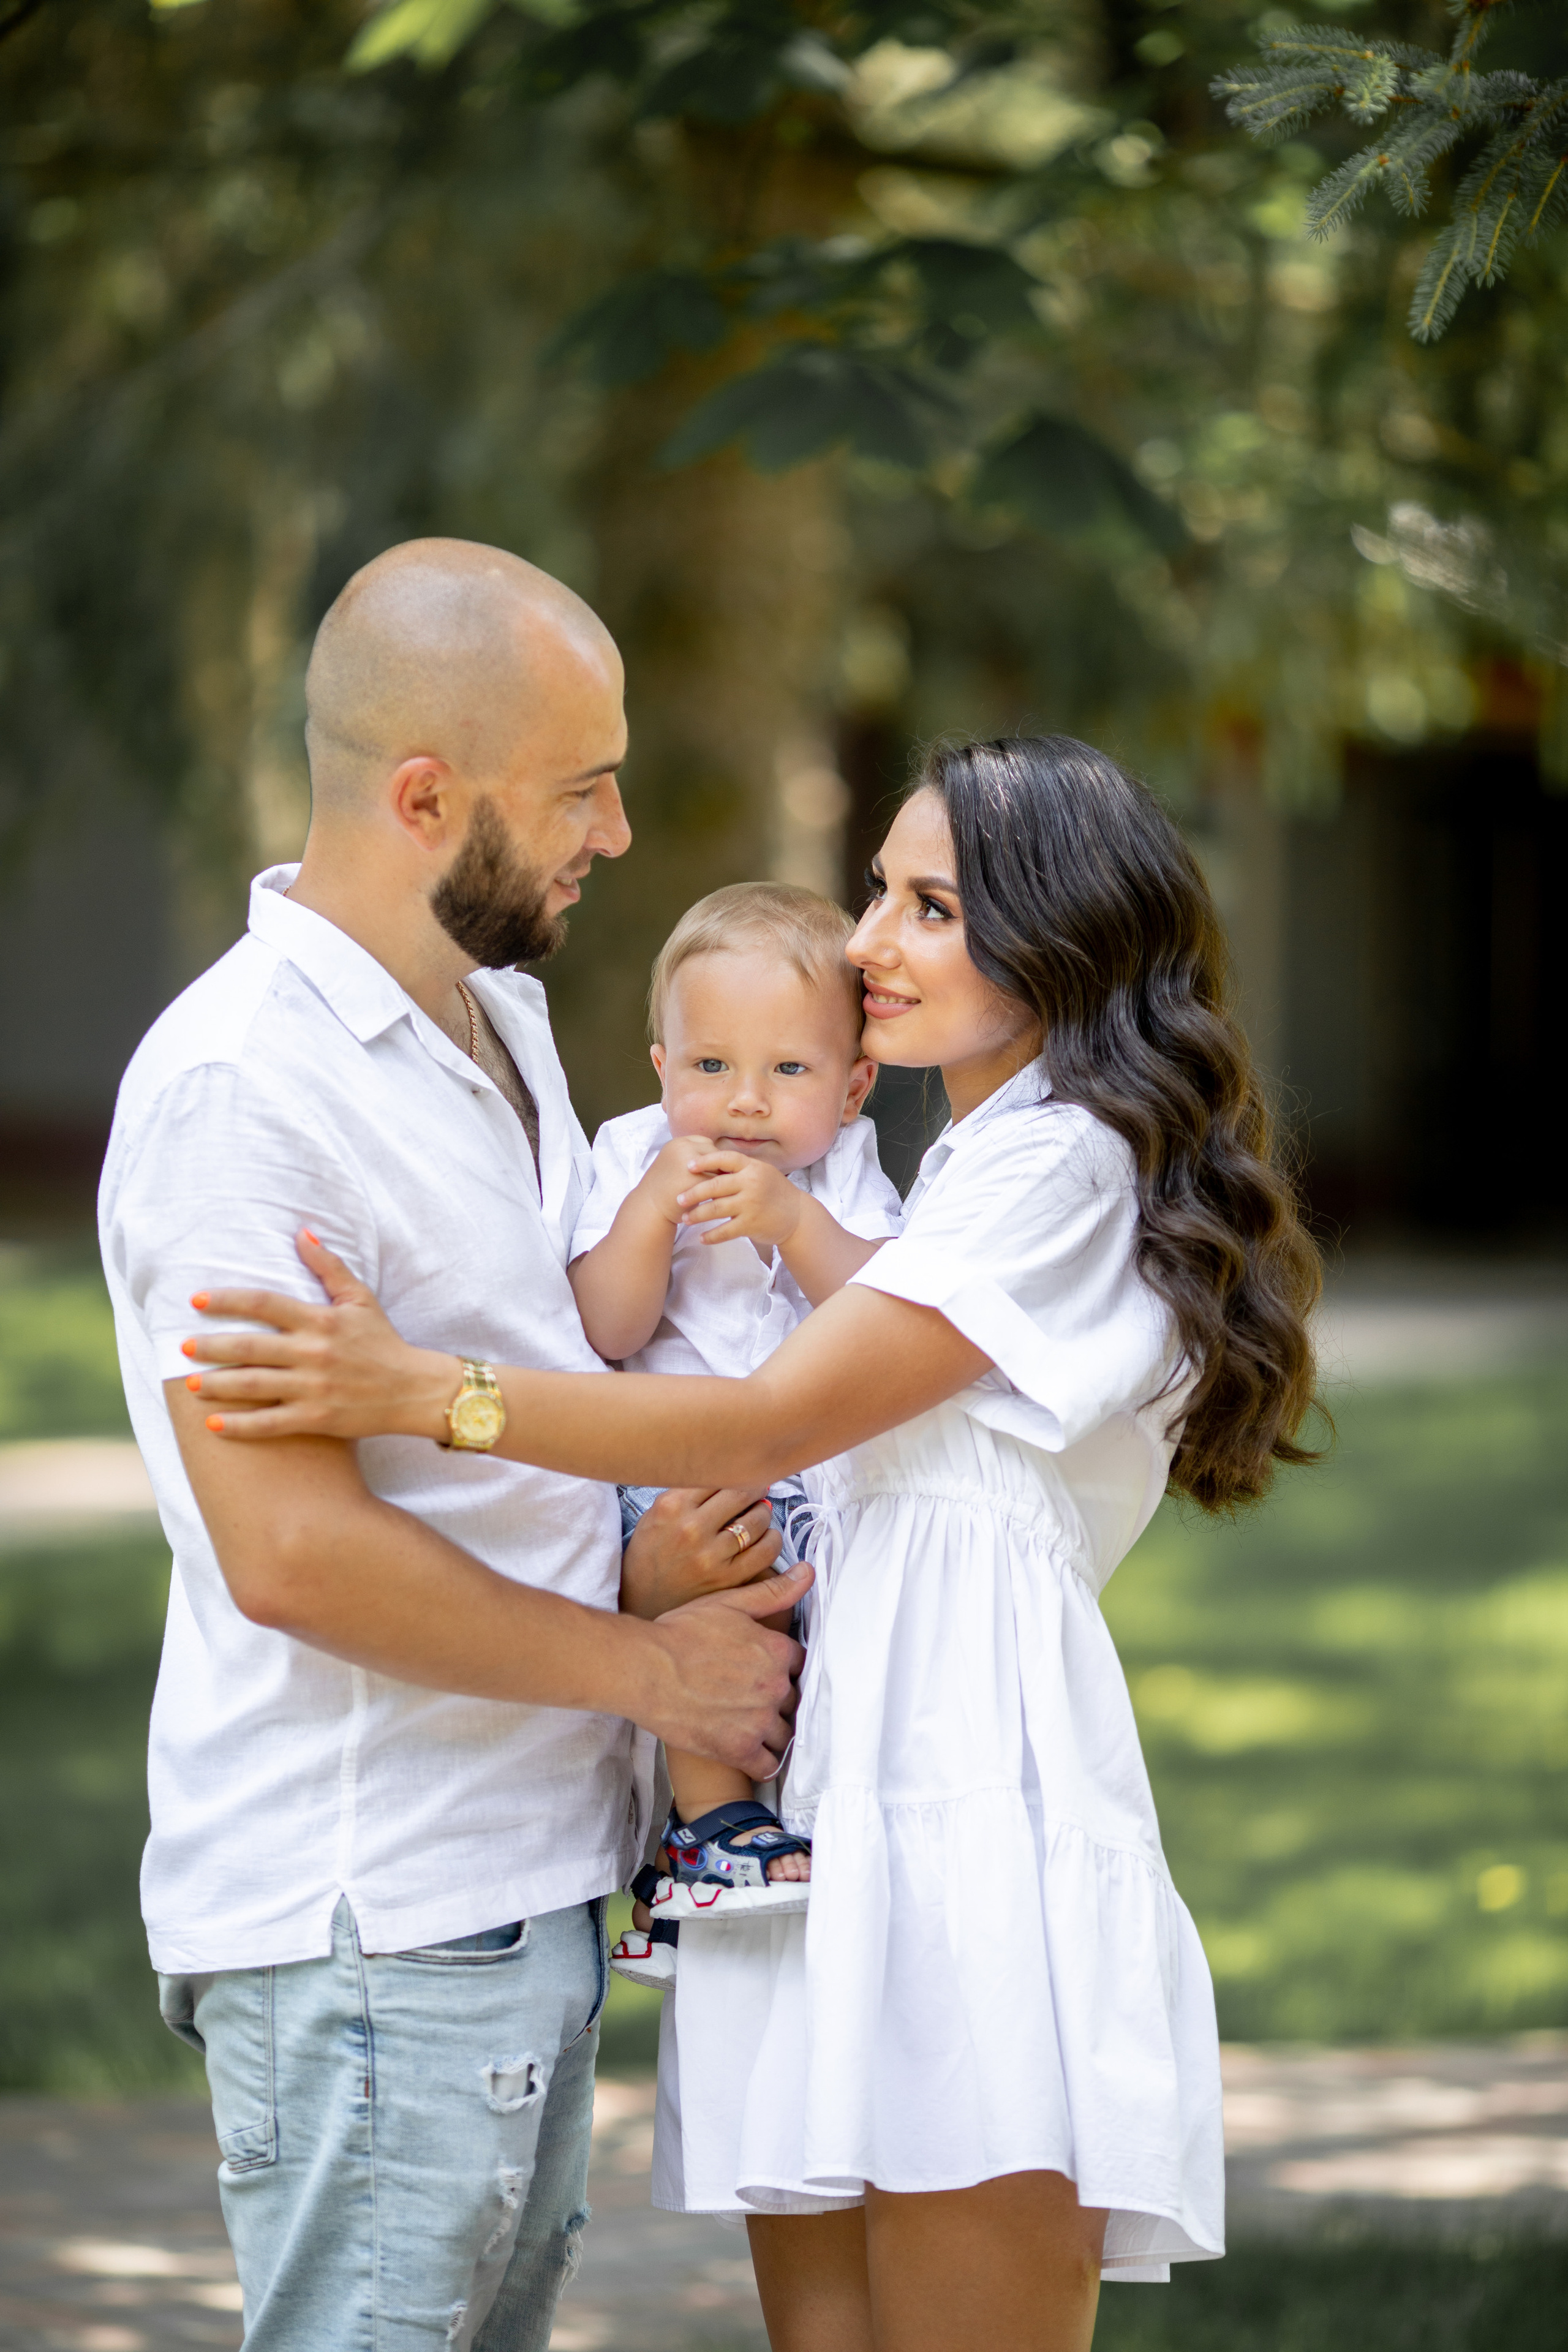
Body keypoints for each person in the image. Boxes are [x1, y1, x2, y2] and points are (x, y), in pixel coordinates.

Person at [183, 734, 1323, 2352]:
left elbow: (769, 1422)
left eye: (932, 907)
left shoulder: (1065, 1162)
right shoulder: (950, 1176)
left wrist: (427, 1392)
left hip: (960, 1811)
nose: (868, 946)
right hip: (813, 1825)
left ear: (1060, 939)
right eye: (880, 894)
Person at [97, 537, 809, 2352]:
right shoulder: (241, 1093)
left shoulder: (491, 1012)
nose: (623, 831)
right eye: (583, 788)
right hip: (377, 1930)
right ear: (426, 796)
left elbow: (508, 1400)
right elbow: (295, 1552)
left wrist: (635, 1561)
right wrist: (656, 1668)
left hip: (514, 1897)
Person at [567, 883, 904, 1983]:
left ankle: (729, 1853)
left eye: (789, 1071)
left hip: (820, 1484)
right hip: (678, 1480)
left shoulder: (847, 1176)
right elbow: (604, 1326)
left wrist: (797, 1222)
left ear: (855, 1086)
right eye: (711, 1068)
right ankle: (708, 1835)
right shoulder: (630, 1159)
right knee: (719, 1616)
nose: (745, 1104)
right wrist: (650, 1217)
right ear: (661, 1066)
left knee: (818, 1658)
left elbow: (886, 1312)